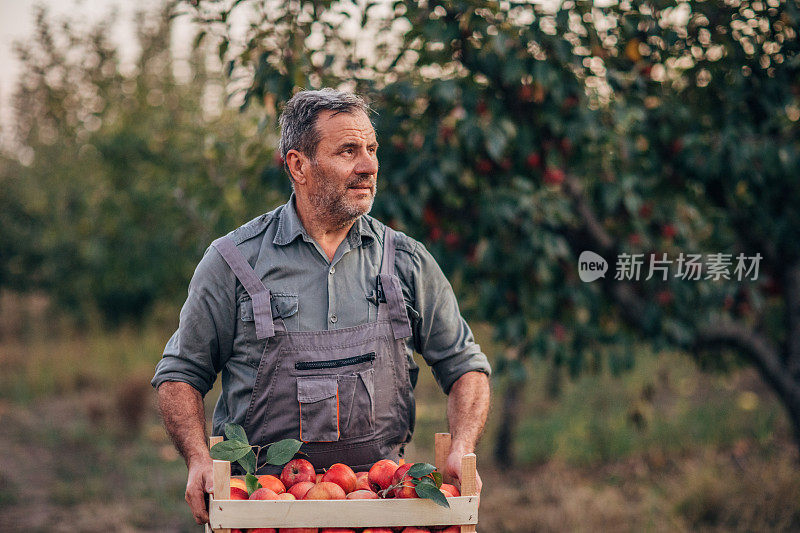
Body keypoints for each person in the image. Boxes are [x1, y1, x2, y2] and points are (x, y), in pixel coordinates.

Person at [151, 88, 491, 525]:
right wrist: (199, 459)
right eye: (348, 151)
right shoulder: (233, 262)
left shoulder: (405, 261)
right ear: (298, 165)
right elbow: (180, 374)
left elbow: (466, 366)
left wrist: (462, 447)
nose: (369, 166)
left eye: (371, 149)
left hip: (380, 505)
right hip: (262, 507)